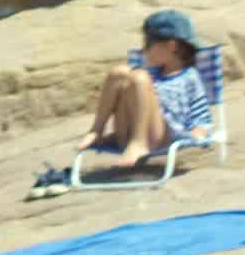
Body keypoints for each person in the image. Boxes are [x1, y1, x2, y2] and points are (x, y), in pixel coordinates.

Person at [74, 9, 212, 168]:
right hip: (127, 136)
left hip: (159, 138)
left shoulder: (189, 77)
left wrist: (198, 133)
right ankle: (96, 131)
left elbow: (200, 115)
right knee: (119, 72)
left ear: (171, 46)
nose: (143, 50)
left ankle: (139, 143)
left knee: (139, 77)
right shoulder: (149, 73)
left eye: (148, 44)